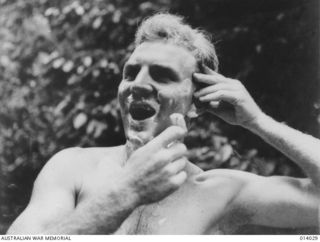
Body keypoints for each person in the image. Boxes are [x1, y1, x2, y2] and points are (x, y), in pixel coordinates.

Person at [7, 13, 320, 235]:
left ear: (198, 104)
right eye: (130, 73)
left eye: (162, 75)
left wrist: (258, 121)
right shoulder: (71, 167)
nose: (137, 85)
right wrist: (125, 193)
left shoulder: (223, 193)